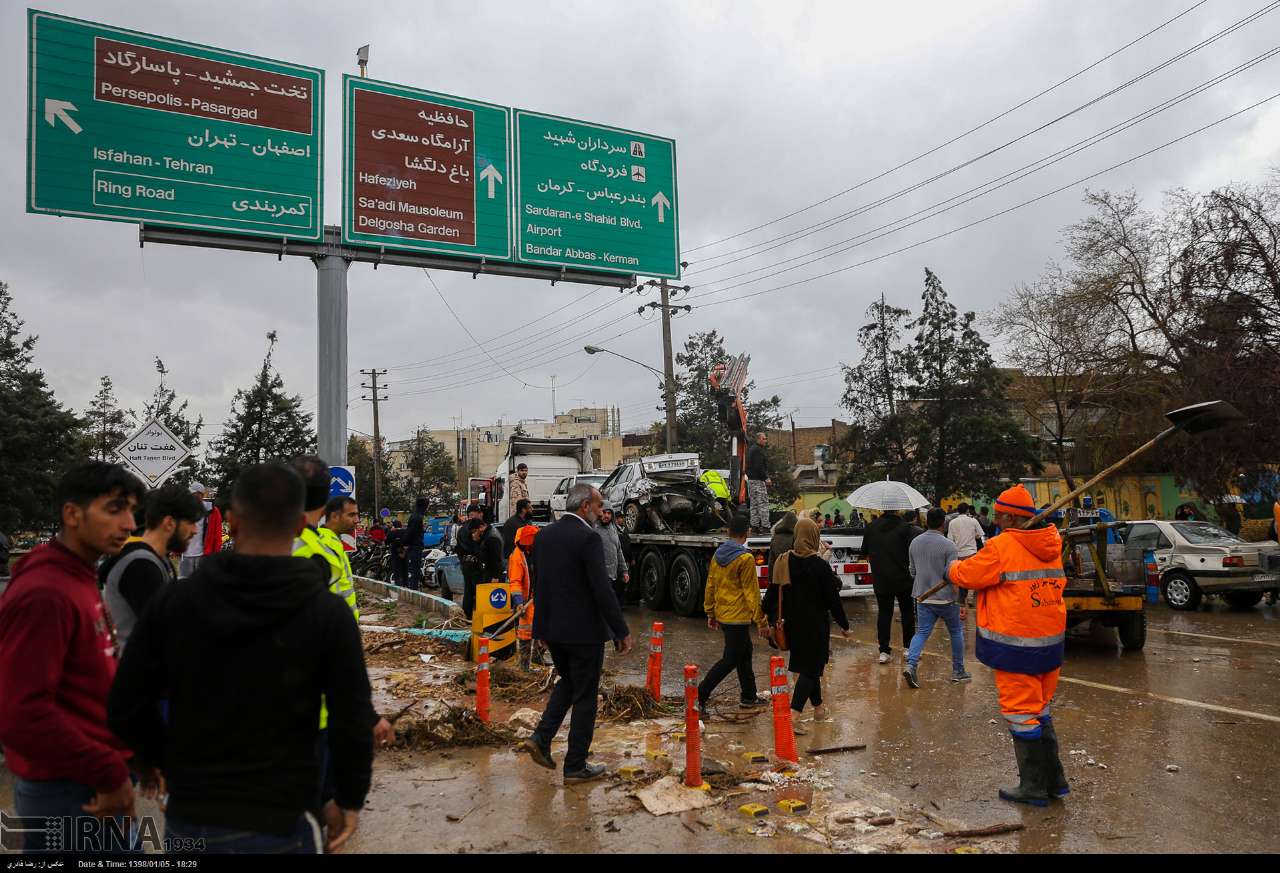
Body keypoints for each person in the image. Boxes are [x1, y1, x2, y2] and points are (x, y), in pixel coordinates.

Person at [108, 462, 375, 853]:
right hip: (285, 816)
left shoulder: (174, 602)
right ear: (301, 525)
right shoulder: (327, 614)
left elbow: (126, 704)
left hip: (191, 817)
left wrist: (158, 762)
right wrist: (349, 799)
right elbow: (352, 718)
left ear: (230, 521)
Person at [0, 462, 150, 853]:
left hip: (88, 781)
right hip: (70, 792)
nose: (130, 523)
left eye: (132, 510)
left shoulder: (78, 575)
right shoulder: (45, 593)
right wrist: (108, 771)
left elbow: (87, 686)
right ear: (72, 514)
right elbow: (22, 713)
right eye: (115, 509)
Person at [945, 483, 1069, 808]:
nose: (996, 520)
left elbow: (969, 574)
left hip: (1018, 646)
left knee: (1020, 714)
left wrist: (950, 569)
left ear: (1012, 517)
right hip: (1050, 642)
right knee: (1039, 709)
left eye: (1000, 515)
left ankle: (1033, 787)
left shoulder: (1002, 547)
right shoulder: (1052, 544)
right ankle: (1055, 782)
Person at [517, 485, 632, 783]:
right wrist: (620, 630)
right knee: (585, 697)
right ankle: (575, 766)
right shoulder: (588, 538)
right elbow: (601, 588)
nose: (599, 512)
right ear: (584, 507)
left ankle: (541, 738)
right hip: (584, 634)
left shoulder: (544, 536)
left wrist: (540, 628)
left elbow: (539, 586)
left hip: (554, 631)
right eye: (596, 507)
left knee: (568, 683)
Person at [764, 518, 849, 724]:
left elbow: (772, 593)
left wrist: (765, 616)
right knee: (812, 670)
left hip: (793, 624)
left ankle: (819, 709)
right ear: (813, 537)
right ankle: (793, 716)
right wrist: (844, 625)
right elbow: (832, 600)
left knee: (808, 667)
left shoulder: (784, 560)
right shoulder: (819, 565)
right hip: (815, 626)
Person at [101, 485, 204, 657]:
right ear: (169, 523)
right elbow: (169, 631)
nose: (195, 530)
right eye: (191, 522)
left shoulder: (154, 560)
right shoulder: (140, 565)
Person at [698, 513, 769, 716]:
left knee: (745, 653)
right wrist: (761, 621)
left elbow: (711, 584)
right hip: (738, 617)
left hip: (724, 614)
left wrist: (710, 611)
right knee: (730, 659)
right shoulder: (745, 558)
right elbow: (751, 593)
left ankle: (749, 696)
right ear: (747, 533)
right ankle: (700, 695)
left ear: (729, 532)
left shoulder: (718, 554)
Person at [903, 508, 969, 688]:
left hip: (923, 597)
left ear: (926, 522)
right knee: (955, 632)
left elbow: (912, 572)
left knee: (922, 632)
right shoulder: (949, 546)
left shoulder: (914, 543)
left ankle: (911, 665)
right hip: (947, 599)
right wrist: (962, 601)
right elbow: (954, 575)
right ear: (943, 523)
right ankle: (958, 671)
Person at [863, 509, 918, 664]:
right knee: (907, 613)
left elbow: (865, 552)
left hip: (881, 578)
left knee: (884, 613)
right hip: (903, 578)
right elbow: (911, 552)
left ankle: (884, 651)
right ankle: (908, 648)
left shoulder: (871, 527)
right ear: (897, 509)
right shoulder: (905, 527)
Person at [457, 517, 503, 619]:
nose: (475, 534)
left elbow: (495, 559)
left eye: (475, 531)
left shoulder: (491, 537)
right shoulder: (486, 534)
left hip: (492, 574)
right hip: (486, 572)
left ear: (481, 527)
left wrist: (495, 576)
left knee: (486, 599)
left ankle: (485, 621)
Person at [319, 495, 360, 610]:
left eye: (357, 515)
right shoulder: (326, 545)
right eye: (351, 515)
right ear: (335, 516)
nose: (357, 520)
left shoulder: (334, 542)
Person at [508, 524, 540, 669]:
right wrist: (519, 602)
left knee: (545, 630)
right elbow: (515, 582)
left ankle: (538, 659)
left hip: (539, 597)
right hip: (526, 601)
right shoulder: (517, 557)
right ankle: (524, 666)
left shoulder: (538, 552)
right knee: (525, 632)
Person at [178, 481, 221, 578]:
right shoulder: (185, 509)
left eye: (194, 494)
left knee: (202, 585)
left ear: (200, 494)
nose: (191, 496)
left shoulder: (213, 511)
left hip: (203, 556)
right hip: (185, 555)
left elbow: (217, 535)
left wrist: (215, 556)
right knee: (184, 584)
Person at [596, 503, 629, 607]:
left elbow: (618, 551)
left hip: (613, 576)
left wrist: (624, 571)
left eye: (609, 513)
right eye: (604, 512)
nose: (606, 515)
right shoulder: (593, 529)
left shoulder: (613, 529)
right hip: (600, 576)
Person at [746, 432, 771, 534]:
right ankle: (765, 526)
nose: (766, 441)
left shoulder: (751, 449)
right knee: (763, 503)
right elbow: (759, 466)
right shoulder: (758, 450)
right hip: (758, 481)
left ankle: (755, 526)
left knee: (754, 504)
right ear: (759, 439)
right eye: (764, 439)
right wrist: (766, 478)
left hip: (751, 480)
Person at [404, 497, 428, 590]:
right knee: (415, 571)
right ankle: (413, 591)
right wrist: (406, 544)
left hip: (415, 546)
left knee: (415, 570)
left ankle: (414, 589)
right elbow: (411, 532)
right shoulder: (417, 517)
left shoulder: (416, 516)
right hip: (415, 547)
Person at [387, 519, 407, 585]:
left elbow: (387, 542)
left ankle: (398, 585)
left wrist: (390, 532)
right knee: (405, 570)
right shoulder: (405, 531)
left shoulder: (392, 532)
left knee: (396, 570)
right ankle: (405, 584)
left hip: (395, 554)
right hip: (405, 553)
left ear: (394, 526)